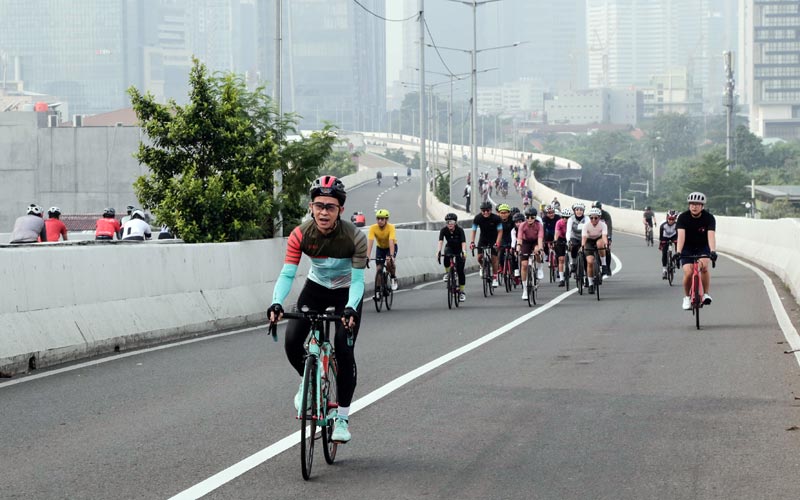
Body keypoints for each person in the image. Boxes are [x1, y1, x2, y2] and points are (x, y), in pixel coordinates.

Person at [268, 175, 366, 444]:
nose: (324, 212)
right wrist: (277, 302)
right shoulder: (300, 234)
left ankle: (342, 419)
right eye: (319, 205)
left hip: (347, 290)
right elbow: (288, 274)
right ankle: (309, 382)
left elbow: (358, 282)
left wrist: (349, 309)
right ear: (311, 207)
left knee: (344, 350)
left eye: (330, 207)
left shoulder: (355, 238)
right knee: (292, 341)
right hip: (317, 287)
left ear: (340, 210)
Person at [676, 192, 717, 310]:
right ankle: (687, 297)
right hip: (687, 247)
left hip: (702, 246)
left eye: (697, 204)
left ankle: (706, 294)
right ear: (689, 205)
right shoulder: (683, 217)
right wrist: (678, 252)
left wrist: (713, 251)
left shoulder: (709, 218)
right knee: (688, 272)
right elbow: (681, 236)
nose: (694, 207)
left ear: (702, 206)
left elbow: (711, 236)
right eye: (692, 204)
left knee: (704, 267)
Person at [470, 201, 503, 288]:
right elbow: (474, 230)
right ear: (481, 211)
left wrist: (497, 243)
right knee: (479, 257)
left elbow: (500, 232)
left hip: (494, 239)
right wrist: (472, 242)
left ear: (491, 210)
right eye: (483, 211)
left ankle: (495, 277)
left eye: (487, 210)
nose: (485, 212)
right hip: (483, 238)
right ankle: (482, 266)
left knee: (494, 259)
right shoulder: (477, 218)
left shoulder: (496, 218)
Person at [437, 212, 468, 302]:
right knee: (446, 254)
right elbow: (441, 241)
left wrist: (464, 251)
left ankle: (462, 292)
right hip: (450, 247)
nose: (449, 224)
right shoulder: (443, 230)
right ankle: (447, 273)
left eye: (452, 222)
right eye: (448, 222)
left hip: (459, 249)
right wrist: (438, 251)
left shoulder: (460, 230)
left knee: (460, 271)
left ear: (455, 222)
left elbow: (463, 242)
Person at [515, 207, 544, 300]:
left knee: (537, 251)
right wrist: (518, 247)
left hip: (536, 241)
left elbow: (540, 238)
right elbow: (519, 238)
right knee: (524, 264)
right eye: (527, 217)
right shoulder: (522, 225)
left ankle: (539, 268)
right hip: (526, 242)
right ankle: (524, 289)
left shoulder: (539, 225)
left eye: (532, 217)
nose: (530, 219)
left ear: (535, 217)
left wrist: (540, 249)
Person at [366, 208, 398, 291]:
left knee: (388, 262)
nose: (380, 221)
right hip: (380, 248)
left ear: (386, 220)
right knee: (379, 269)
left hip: (390, 247)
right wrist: (367, 256)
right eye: (378, 218)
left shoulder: (391, 227)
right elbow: (370, 242)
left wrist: (391, 256)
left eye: (382, 219)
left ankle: (393, 278)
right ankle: (378, 290)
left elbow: (391, 241)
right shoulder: (373, 228)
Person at [581, 207, 609, 294]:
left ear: (599, 218)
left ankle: (604, 265)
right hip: (589, 240)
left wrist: (606, 244)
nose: (593, 220)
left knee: (600, 244)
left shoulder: (603, 225)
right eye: (591, 218)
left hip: (599, 238)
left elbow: (604, 236)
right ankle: (590, 284)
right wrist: (582, 246)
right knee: (589, 261)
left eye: (596, 218)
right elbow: (584, 237)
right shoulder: (586, 225)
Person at [566, 203, 587, 276]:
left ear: (583, 211)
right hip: (574, 236)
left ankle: (586, 272)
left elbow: (588, 230)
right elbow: (568, 231)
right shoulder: (571, 219)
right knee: (574, 246)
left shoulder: (586, 219)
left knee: (585, 252)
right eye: (577, 210)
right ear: (574, 211)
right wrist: (568, 241)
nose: (579, 211)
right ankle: (573, 262)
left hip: (583, 237)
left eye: (581, 210)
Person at [496, 204, 516, 282]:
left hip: (512, 238)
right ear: (499, 213)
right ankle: (501, 266)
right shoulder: (497, 220)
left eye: (505, 213)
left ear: (509, 213)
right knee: (500, 254)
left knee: (513, 255)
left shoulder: (512, 220)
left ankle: (515, 271)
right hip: (502, 238)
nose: (503, 214)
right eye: (502, 213)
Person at [593, 201, 613, 275]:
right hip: (593, 234)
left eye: (597, 209)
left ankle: (607, 267)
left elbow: (609, 227)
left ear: (601, 208)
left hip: (604, 234)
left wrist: (609, 238)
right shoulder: (590, 215)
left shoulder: (606, 215)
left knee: (607, 249)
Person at [658, 210, 679, 279]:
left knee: (678, 246)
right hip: (665, 237)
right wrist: (661, 243)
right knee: (664, 253)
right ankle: (664, 270)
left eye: (673, 219)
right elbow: (660, 236)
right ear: (667, 218)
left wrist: (677, 242)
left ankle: (677, 259)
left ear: (675, 219)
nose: (671, 221)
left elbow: (679, 235)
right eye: (669, 219)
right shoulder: (663, 225)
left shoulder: (677, 225)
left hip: (674, 236)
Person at [554, 207, 571, 286]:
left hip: (570, 238)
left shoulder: (572, 222)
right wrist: (555, 241)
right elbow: (557, 232)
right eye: (563, 217)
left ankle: (572, 264)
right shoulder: (559, 223)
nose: (565, 219)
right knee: (561, 259)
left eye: (567, 218)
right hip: (561, 238)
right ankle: (561, 279)